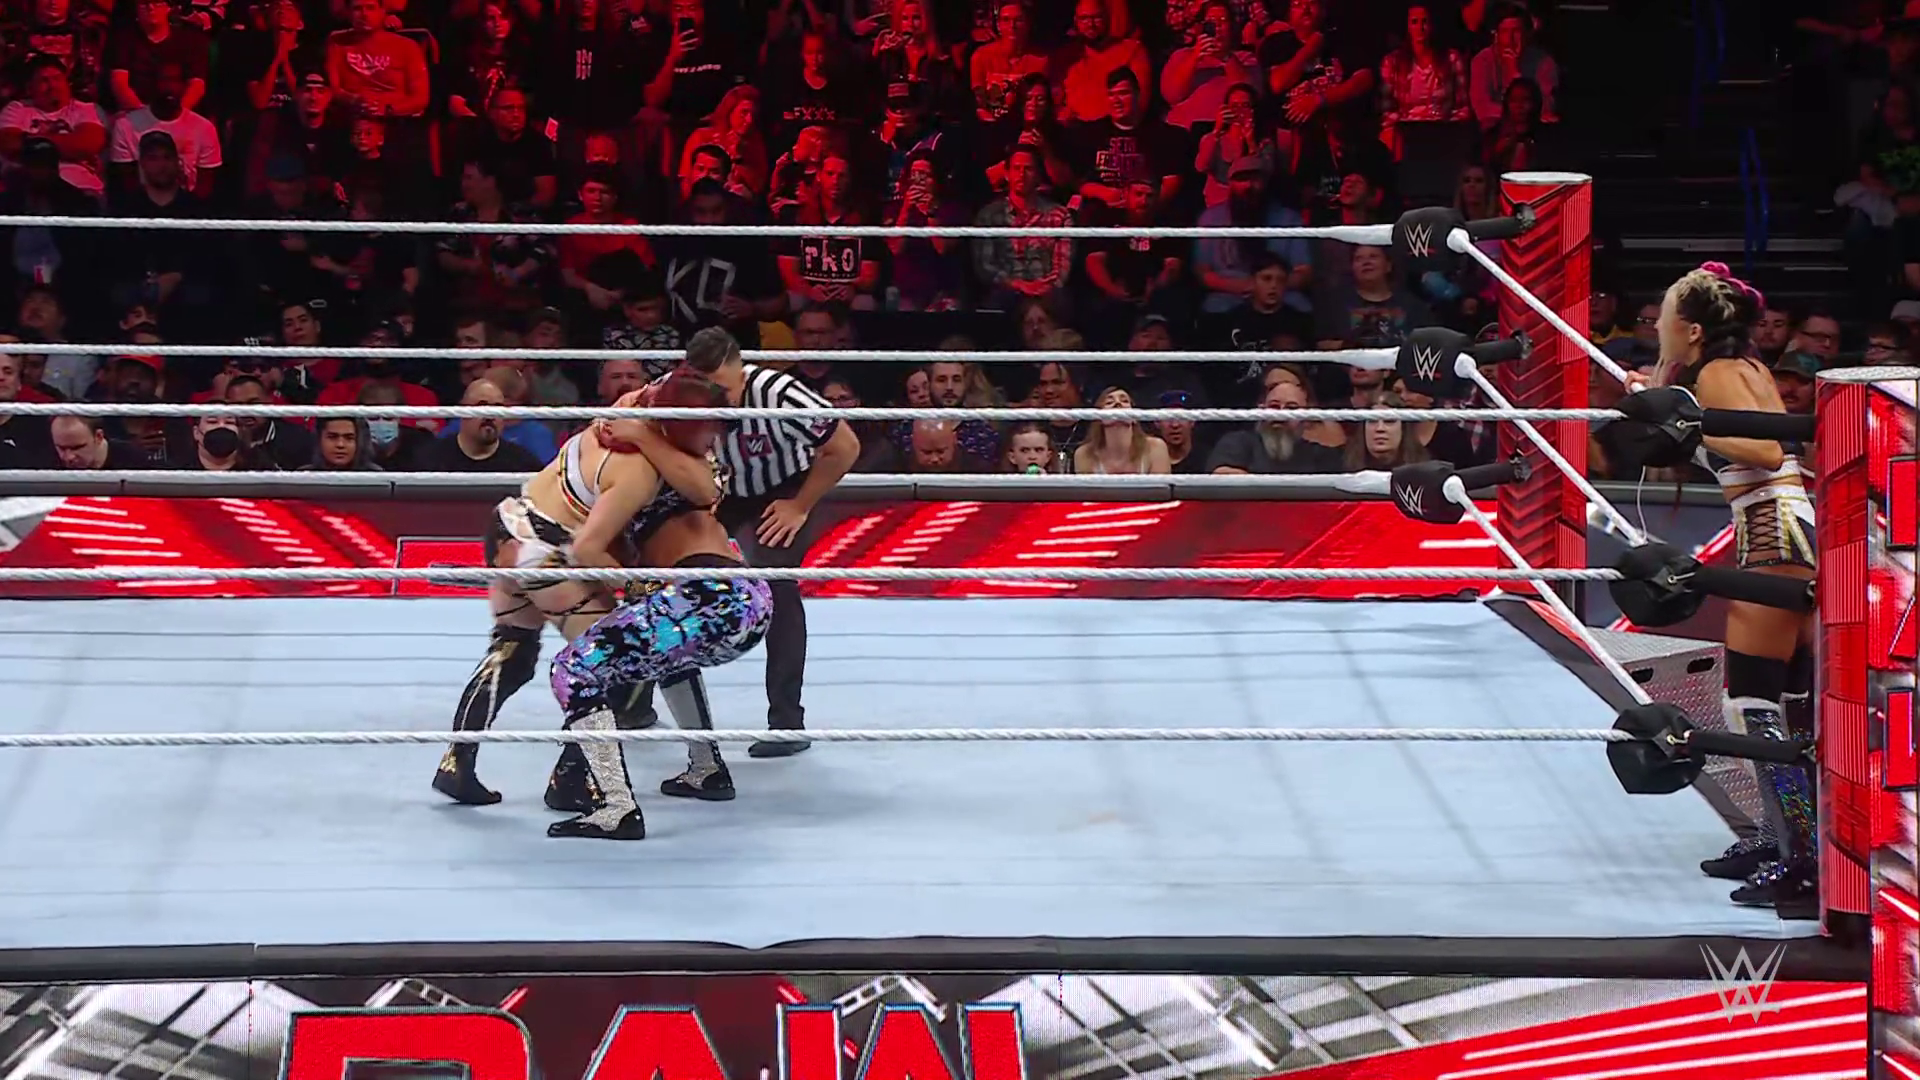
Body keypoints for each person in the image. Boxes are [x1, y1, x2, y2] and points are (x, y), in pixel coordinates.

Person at [432, 369, 732, 812]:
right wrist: (636, 585)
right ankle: (571, 779)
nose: (711, 445)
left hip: (509, 522)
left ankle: (455, 762)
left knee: (513, 651)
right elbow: (588, 548)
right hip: (548, 551)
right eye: (707, 434)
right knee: (612, 660)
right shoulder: (640, 469)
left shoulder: (625, 407)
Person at [1647, 262, 1818, 915]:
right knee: (1781, 699)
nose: (1657, 326)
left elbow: (1766, 452)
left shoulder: (1719, 373)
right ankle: (1782, 839)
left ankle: (1800, 857)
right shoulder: (1741, 368)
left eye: (1666, 316)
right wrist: (1662, 398)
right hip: (1781, 529)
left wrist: (1689, 422)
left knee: (1750, 703)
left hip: (1773, 535)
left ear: (1691, 329)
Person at [545, 389, 778, 841]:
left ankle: (615, 806)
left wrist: (633, 584)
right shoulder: (677, 461)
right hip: (748, 598)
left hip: (707, 597)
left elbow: (588, 549)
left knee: (572, 670)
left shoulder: (653, 461)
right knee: (669, 653)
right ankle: (707, 769)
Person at [622, 327, 861, 760]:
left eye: (724, 389)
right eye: (707, 388)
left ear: (740, 370)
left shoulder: (778, 393)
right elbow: (625, 410)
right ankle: (635, 702)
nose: (718, 401)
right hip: (720, 490)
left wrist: (800, 505)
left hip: (786, 488)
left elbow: (845, 446)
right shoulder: (678, 390)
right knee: (655, 571)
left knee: (776, 584)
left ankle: (786, 722)